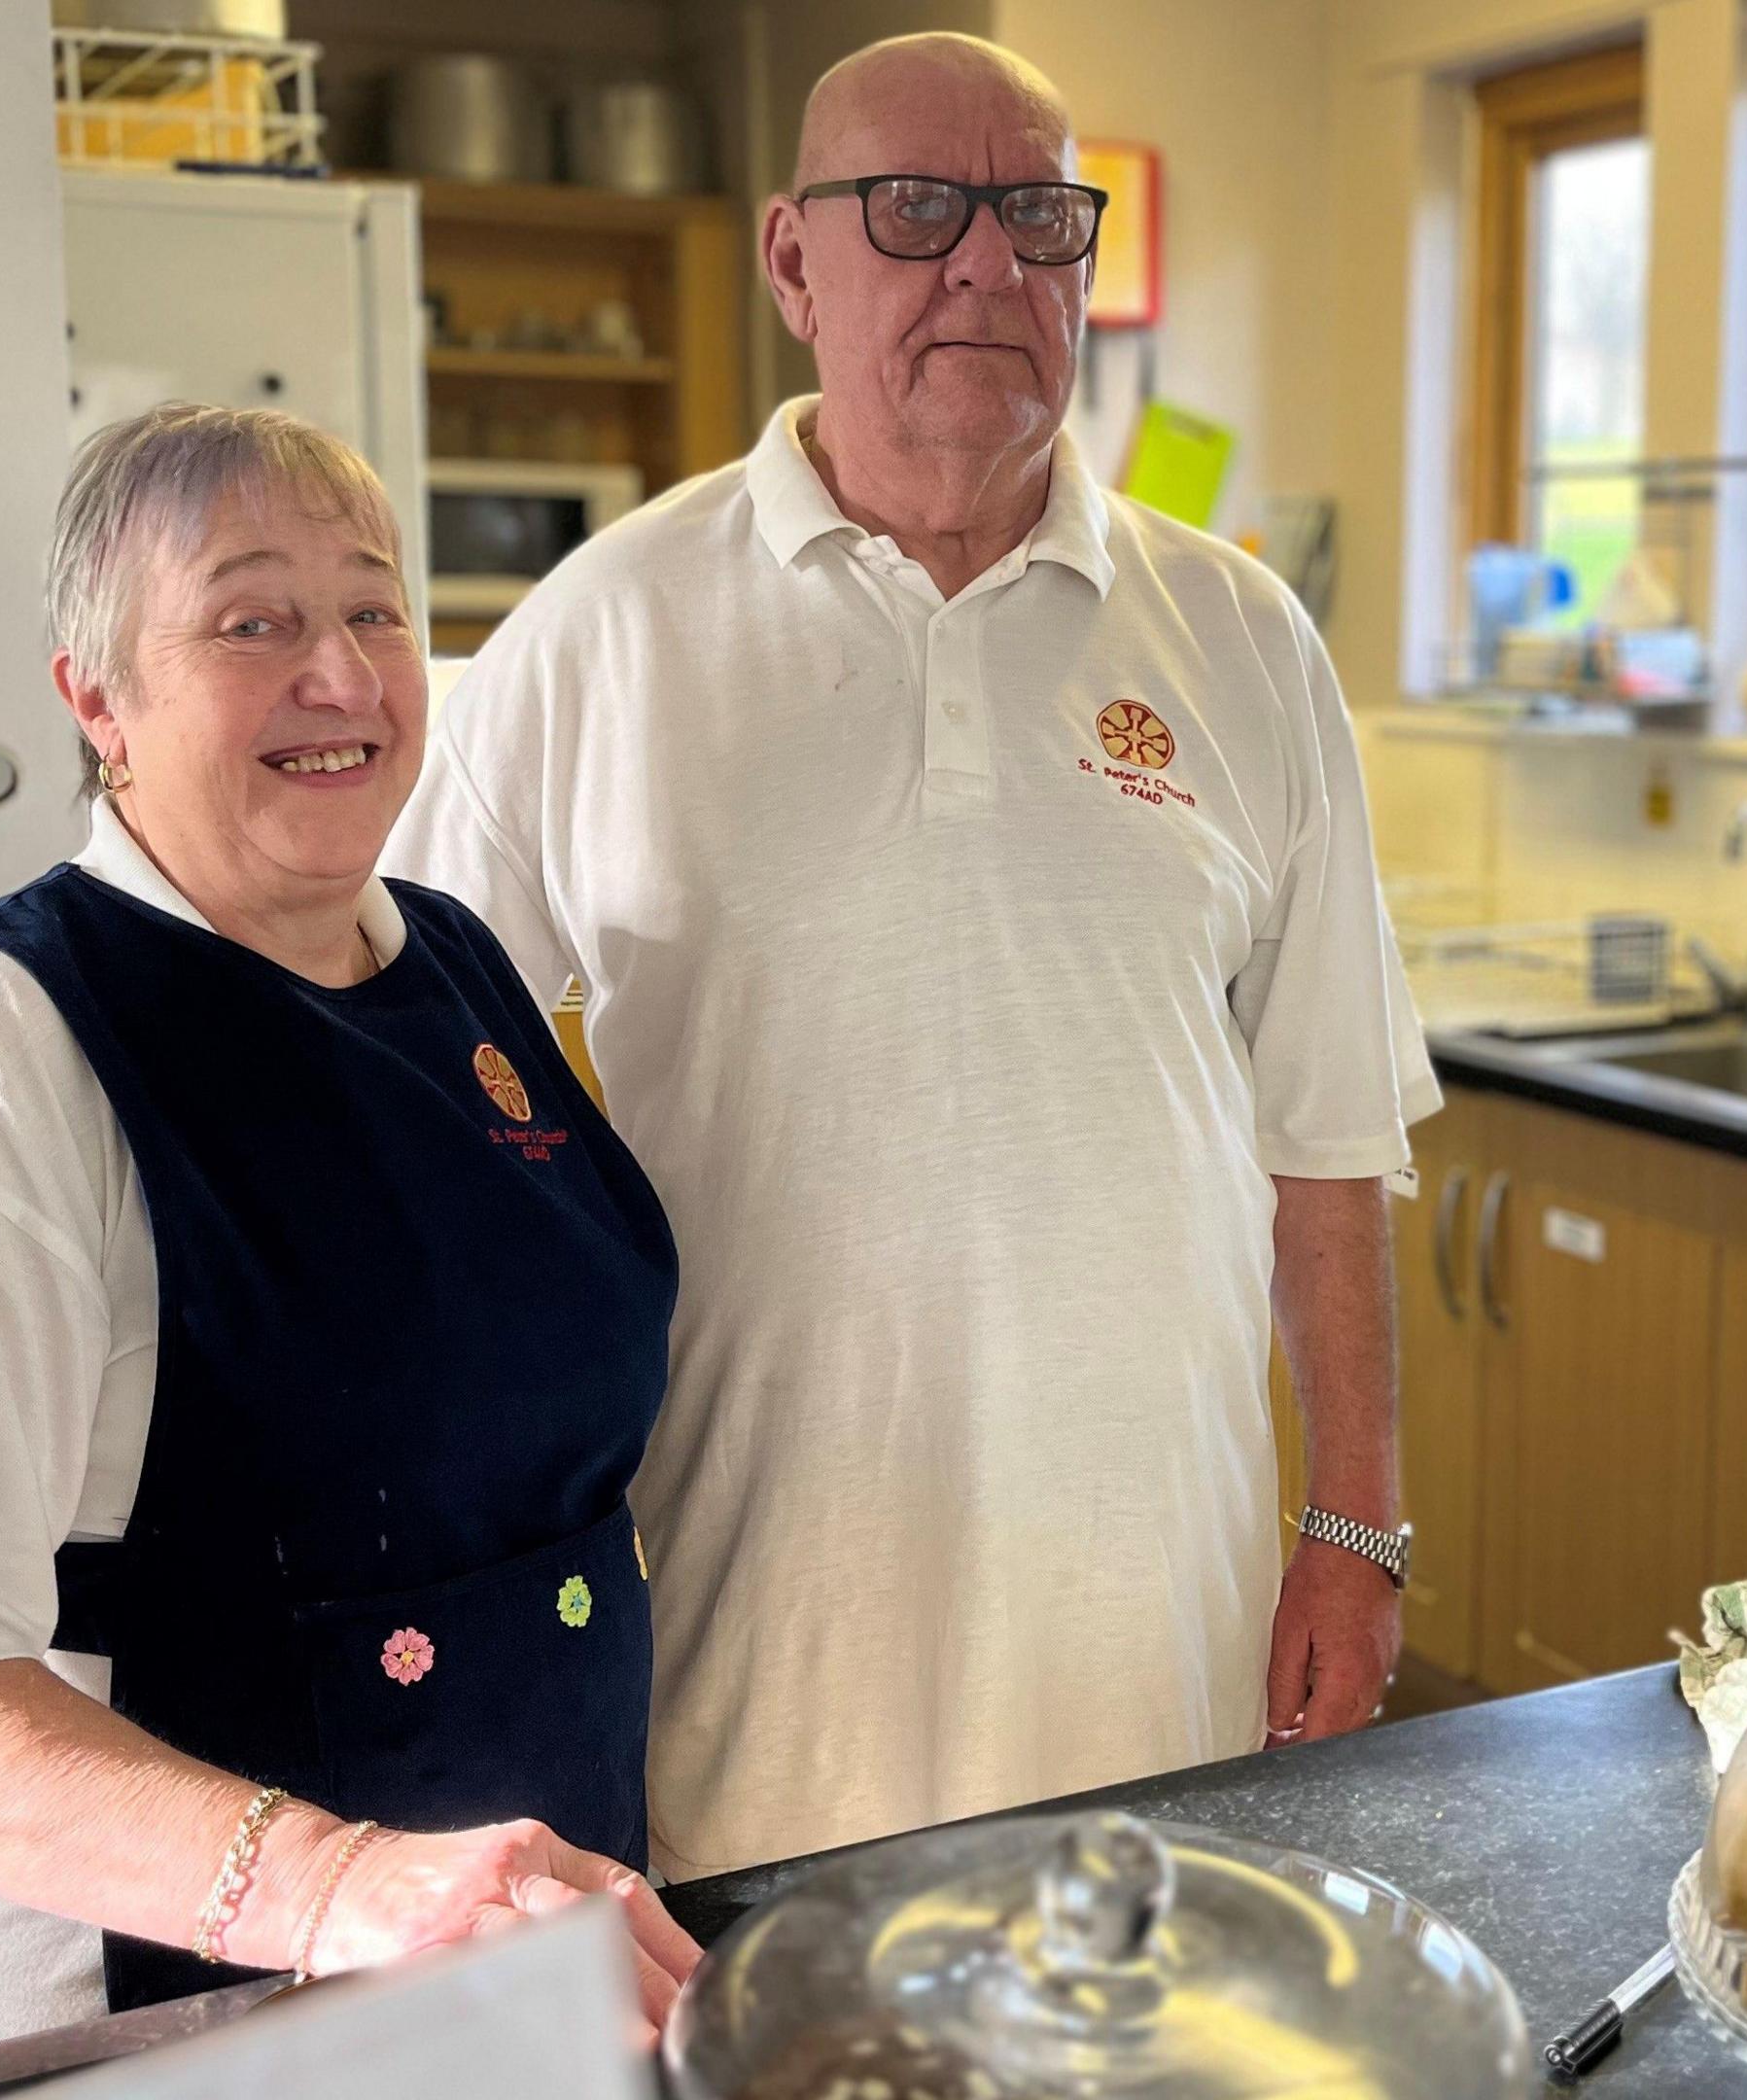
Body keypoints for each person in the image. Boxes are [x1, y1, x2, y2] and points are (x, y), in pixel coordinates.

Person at [387, 32, 1442, 1883]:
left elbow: (1328, 1141)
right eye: (918, 209)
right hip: (752, 1628)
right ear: (795, 262)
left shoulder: (1245, 642)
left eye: (1039, 216)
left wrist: (1354, 1533)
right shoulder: (599, 634)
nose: (986, 265)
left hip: (1155, 1625)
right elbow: (409, 1097)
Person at [0, 404, 699, 2068]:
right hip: (145, 1990)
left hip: (495, 1946)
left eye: (375, 610)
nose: (340, 673)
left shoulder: (454, 964)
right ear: (95, 698)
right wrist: (336, 1890)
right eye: (253, 621)